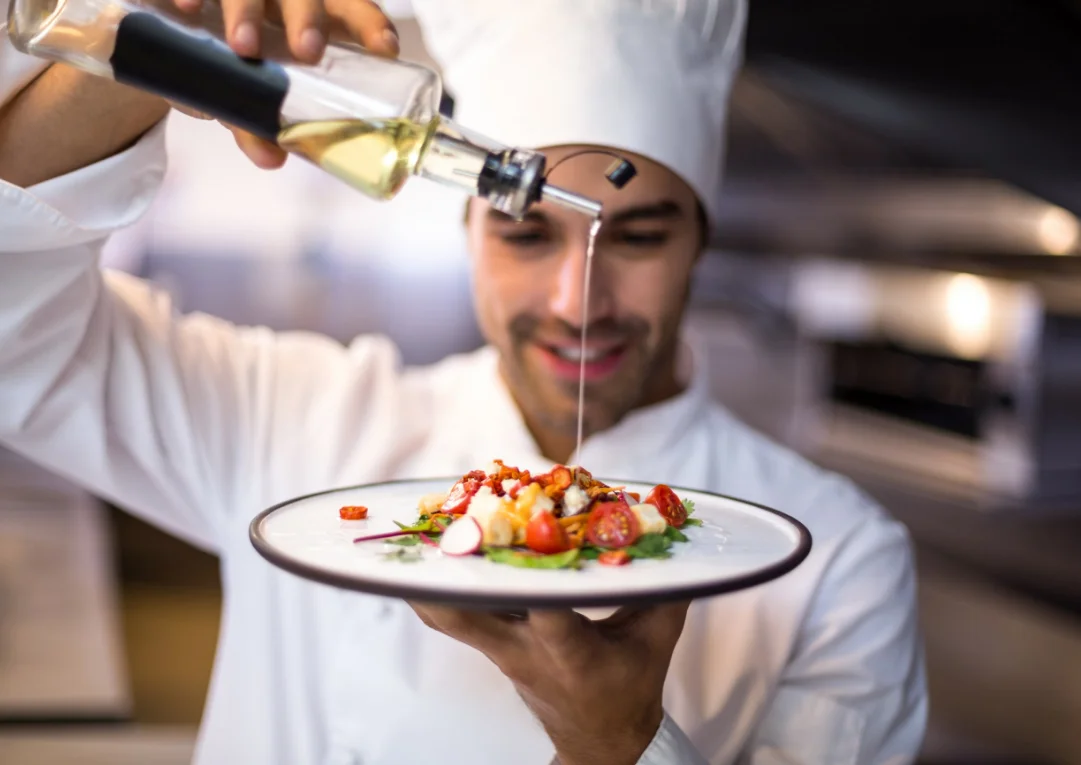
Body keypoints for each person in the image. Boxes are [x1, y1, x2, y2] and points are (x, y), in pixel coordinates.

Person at [0, 0, 927, 762]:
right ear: (469, 232)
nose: (578, 300)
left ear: (701, 242)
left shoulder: (838, 560)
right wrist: (142, 45)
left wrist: (618, 745)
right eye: (528, 235)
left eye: (639, 236)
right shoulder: (298, 423)